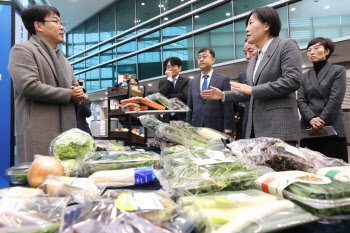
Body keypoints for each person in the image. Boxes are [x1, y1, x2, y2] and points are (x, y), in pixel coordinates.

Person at [201, 6, 302, 145]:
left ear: (266, 25)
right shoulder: (254, 59)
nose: (246, 29)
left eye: (250, 23)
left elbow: (292, 80)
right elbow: (248, 92)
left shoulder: (286, 46)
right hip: (255, 129)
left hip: (279, 128)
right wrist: (223, 95)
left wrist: (253, 90)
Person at [8, 6, 87, 163]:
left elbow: (74, 87)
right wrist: (68, 95)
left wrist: (79, 94)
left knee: (63, 180)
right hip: (39, 132)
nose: (61, 26)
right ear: (38, 26)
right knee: (39, 180)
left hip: (66, 135)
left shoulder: (63, 59)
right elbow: (28, 86)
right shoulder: (23, 50)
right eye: (55, 21)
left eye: (61, 22)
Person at [298, 37, 348, 162]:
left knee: (336, 169)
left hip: (331, 126)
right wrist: (311, 118)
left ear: (327, 52)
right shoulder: (304, 76)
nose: (311, 52)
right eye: (308, 50)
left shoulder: (338, 70)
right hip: (309, 129)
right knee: (311, 170)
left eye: (316, 48)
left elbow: (335, 99)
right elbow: (301, 100)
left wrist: (321, 121)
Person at [186, 48, 234, 134]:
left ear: (213, 60)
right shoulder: (192, 82)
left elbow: (228, 105)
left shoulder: (223, 79)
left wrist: (228, 126)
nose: (201, 59)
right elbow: (189, 106)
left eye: (204, 56)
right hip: (196, 125)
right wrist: (188, 125)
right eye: (199, 57)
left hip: (216, 125)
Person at [158, 57, 189, 122]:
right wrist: (169, 79)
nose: (170, 69)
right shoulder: (162, 82)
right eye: (168, 67)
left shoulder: (186, 81)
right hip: (166, 117)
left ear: (180, 67)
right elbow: (161, 96)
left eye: (173, 66)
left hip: (181, 116)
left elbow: (185, 96)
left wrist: (168, 96)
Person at [238, 39, 258, 138]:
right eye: (245, 53)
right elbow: (244, 97)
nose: (247, 56)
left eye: (251, 51)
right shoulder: (243, 75)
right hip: (248, 122)